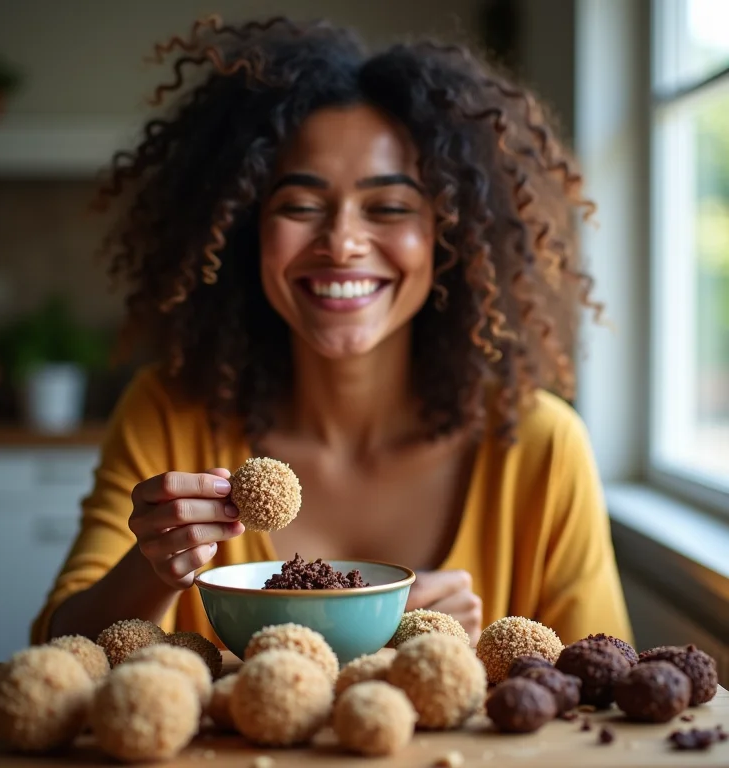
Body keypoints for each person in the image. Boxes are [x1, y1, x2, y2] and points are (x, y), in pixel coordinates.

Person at [32, 15, 632, 649]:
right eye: (301, 205)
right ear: (245, 230)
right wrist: (154, 565)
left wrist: (485, 659)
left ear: (449, 238)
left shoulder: (540, 447)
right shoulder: (171, 415)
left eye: (390, 207)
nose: (342, 243)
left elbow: (608, 684)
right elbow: (56, 651)